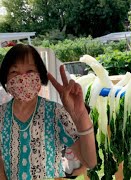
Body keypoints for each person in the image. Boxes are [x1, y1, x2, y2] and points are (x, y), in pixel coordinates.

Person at [0, 44, 97, 179]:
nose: (22, 78)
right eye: (14, 72)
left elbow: (90, 161)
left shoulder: (55, 112)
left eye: (29, 71)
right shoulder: (1, 116)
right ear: (5, 78)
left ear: (40, 75)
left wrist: (81, 116)